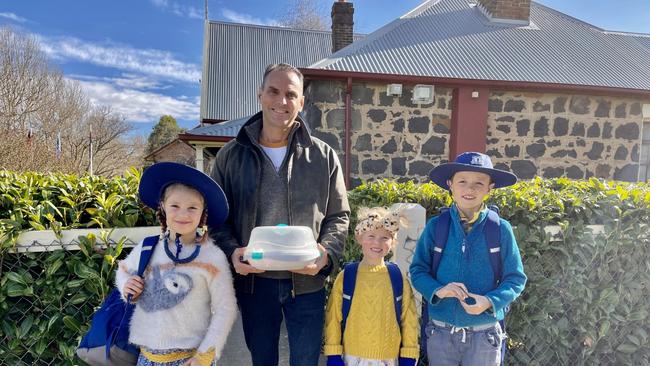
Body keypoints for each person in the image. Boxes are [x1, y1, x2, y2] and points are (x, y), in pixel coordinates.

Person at [210, 63, 350, 366]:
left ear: (301, 103)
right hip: (255, 283)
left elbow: (339, 216)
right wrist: (232, 253)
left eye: (291, 94)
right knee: (263, 360)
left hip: (307, 284)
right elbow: (216, 220)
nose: (281, 101)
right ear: (260, 95)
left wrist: (325, 254)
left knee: (306, 361)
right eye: (274, 91)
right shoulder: (230, 156)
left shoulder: (324, 156)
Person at [409, 152, 527, 366]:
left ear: (490, 188)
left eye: (478, 183)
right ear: (450, 185)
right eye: (462, 181)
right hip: (440, 332)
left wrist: (490, 301)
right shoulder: (437, 227)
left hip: (485, 335)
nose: (470, 189)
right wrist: (438, 290)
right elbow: (418, 270)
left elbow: (515, 278)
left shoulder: (500, 230)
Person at [116, 162, 237, 366]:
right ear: (162, 207)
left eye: (192, 207)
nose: (183, 214)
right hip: (146, 358)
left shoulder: (213, 257)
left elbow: (226, 308)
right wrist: (126, 286)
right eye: (175, 206)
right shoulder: (148, 248)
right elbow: (123, 271)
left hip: (191, 359)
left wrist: (205, 355)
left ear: (203, 212)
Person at [323, 207, 419, 366]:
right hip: (352, 358)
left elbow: (409, 318)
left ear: (393, 242)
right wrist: (333, 353)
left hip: (388, 359)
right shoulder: (347, 276)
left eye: (384, 238)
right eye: (371, 236)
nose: (377, 242)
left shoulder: (397, 278)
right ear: (360, 237)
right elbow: (333, 317)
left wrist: (408, 354)